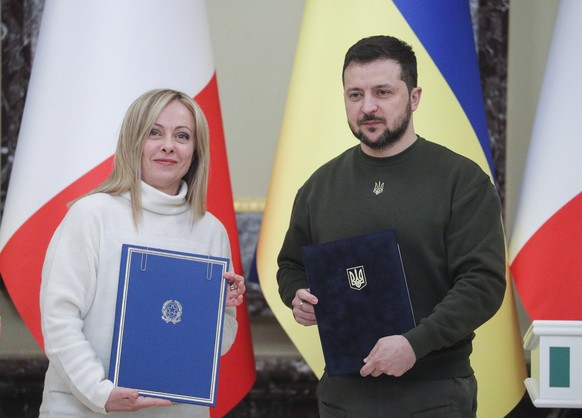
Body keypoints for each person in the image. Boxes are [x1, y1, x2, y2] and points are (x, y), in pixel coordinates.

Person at [277, 35, 506, 417]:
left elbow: (483, 283)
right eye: (355, 95)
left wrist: (415, 344)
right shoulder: (320, 185)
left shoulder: (462, 181)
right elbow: (291, 265)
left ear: (414, 97)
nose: (368, 107)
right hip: (344, 392)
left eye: (382, 92)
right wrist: (297, 294)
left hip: (433, 393)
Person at [39, 88, 245, 417]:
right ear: (133, 140)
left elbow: (215, 345)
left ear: (195, 150)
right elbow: (59, 319)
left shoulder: (211, 231)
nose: (168, 145)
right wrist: (100, 392)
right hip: (87, 408)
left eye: (182, 135)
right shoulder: (91, 215)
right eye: (154, 132)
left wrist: (217, 311)